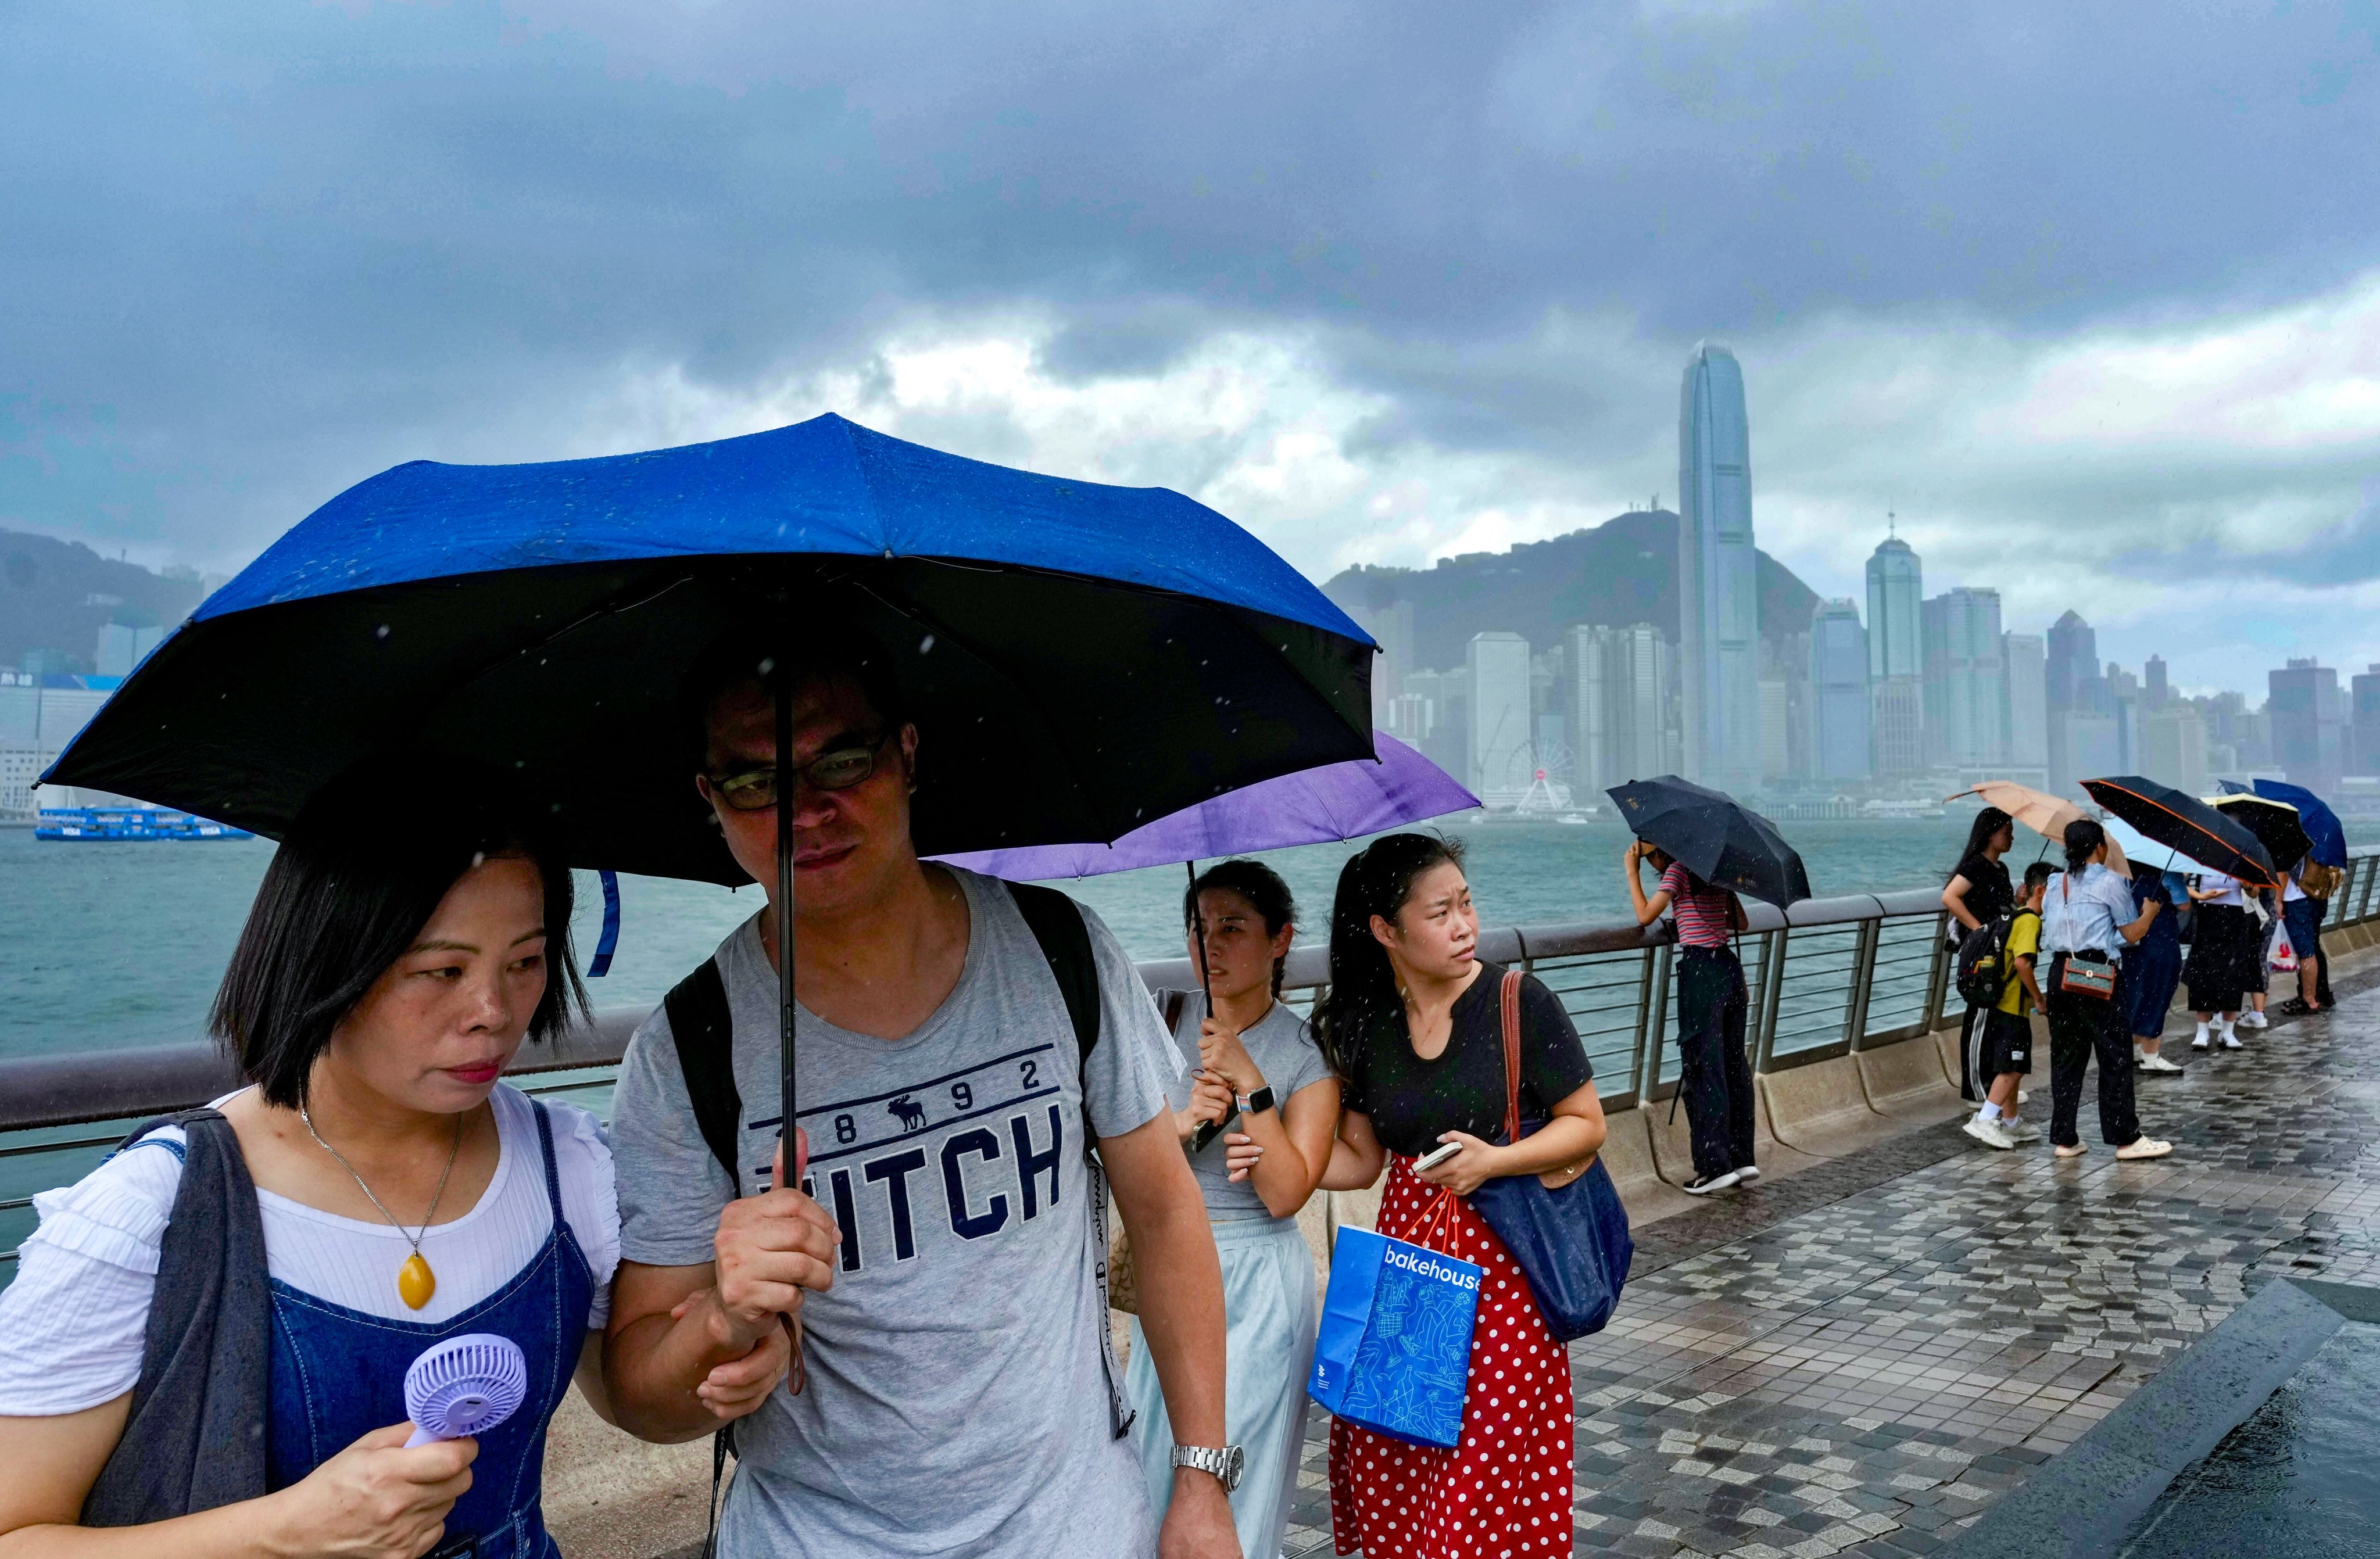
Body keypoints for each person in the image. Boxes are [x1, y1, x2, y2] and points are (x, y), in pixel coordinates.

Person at [0, 761, 789, 1558]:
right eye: (441, 971)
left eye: (523, 962)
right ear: (327, 958)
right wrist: (278, 1532)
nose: (492, 1012)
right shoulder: (155, 1211)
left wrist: (720, 1327)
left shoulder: (566, 1164)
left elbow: (634, 1398)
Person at [599, 637, 1238, 1559]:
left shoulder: (1056, 948)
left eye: (843, 761)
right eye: (753, 782)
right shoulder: (687, 1046)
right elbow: (637, 1395)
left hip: (1076, 1523)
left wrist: (1200, 1476)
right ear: (710, 798)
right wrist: (720, 1320)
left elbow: (1168, 1213)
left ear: (905, 753)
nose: (805, 810)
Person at [1315, 833, 1605, 1559]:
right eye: (1440, 911)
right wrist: (1262, 1137)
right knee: (1394, 1465)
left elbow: (1587, 1125)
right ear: (1385, 930)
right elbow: (1358, 1160)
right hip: (1405, 1271)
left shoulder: (1517, 1002)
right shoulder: (1366, 1023)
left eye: (1466, 904)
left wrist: (1496, 1160)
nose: (1464, 925)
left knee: (1479, 1481)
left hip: (1505, 1270)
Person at [1136, 860, 1338, 1559]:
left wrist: (1251, 1083)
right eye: (1198, 928)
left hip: (1257, 1281)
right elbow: (1105, 1149)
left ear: (1280, 940)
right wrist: (1184, 1124)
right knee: (1149, 1471)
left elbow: (1286, 1192)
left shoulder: (1307, 1054)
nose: (1210, 945)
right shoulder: (1158, 1016)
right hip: (1173, 1267)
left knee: (1236, 1487)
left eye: (1232, 927)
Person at [1625, 840, 1755, 1194]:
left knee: (1703, 1067)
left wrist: (1632, 874)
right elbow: (1740, 923)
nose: (1650, 864)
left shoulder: (1678, 871)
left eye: (1649, 857)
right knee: (1733, 1066)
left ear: (1661, 852)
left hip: (1701, 971)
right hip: (1729, 968)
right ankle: (1741, 1158)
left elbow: (1644, 915)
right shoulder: (1716, 874)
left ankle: (1714, 1168)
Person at [2041, 820, 2172, 1161]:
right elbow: (2131, 935)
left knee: (2066, 1058)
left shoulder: (2056, 882)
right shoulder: (2112, 882)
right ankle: (2126, 1138)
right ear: (2100, 848)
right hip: (2096, 973)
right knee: (2114, 1055)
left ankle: (2065, 1138)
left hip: (2060, 972)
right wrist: (2150, 913)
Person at [1964, 862, 2051, 1151]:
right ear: (2039, 891)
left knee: (2013, 1064)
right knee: (2013, 1067)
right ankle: (1985, 1119)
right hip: (2013, 1006)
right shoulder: (2031, 922)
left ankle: (2011, 1122)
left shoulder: (2017, 916)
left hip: (2002, 1004)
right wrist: (2039, 997)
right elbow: (2022, 963)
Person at [1943, 808, 2018, 1103]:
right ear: (1990, 834)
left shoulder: (2001, 869)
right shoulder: (1975, 866)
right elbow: (1950, 896)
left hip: (1998, 953)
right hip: (1979, 956)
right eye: (2007, 833)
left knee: (1995, 1018)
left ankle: (1993, 1086)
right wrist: (1977, 930)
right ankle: (1976, 1089)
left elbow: (2001, 907)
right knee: (1980, 1015)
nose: (2011, 838)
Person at [2184, 869, 2254, 1051]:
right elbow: (2177, 883)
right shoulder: (2202, 855)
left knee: (2232, 974)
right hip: (2207, 916)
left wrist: (2245, 881)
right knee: (2203, 973)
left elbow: (2254, 892)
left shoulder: (2242, 860)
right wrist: (2201, 896)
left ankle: (2228, 1031)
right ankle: (2202, 1031)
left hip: (2234, 918)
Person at [2126, 868, 2187, 1075]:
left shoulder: (2124, 872)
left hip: (2132, 941)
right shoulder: (2169, 872)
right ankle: (2151, 1056)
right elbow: (2184, 904)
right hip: (2161, 940)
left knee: (2135, 994)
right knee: (2158, 994)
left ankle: (2133, 1050)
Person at [2280, 861, 2331, 1016]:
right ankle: (2321, 994)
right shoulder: (2320, 840)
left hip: (2297, 900)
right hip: (2316, 896)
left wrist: (2278, 900)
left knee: (2305, 951)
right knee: (2313, 946)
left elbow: (2284, 872)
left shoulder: (2295, 842)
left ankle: (2310, 999)